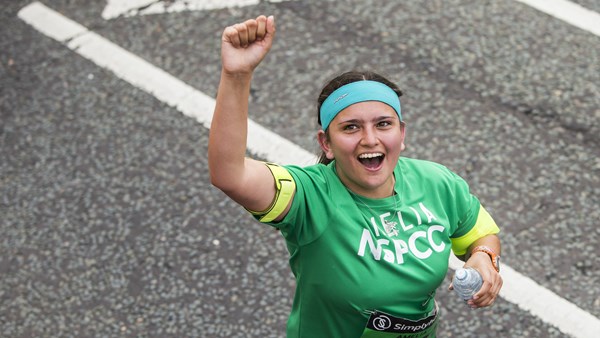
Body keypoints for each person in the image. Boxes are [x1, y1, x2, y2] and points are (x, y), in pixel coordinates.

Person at [208, 15, 503, 338]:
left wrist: (484, 258)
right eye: (351, 127)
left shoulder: (436, 183)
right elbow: (230, 174)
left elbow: (479, 234)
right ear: (326, 143)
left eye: (383, 124)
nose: (370, 139)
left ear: (401, 134)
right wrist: (236, 75)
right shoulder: (310, 198)